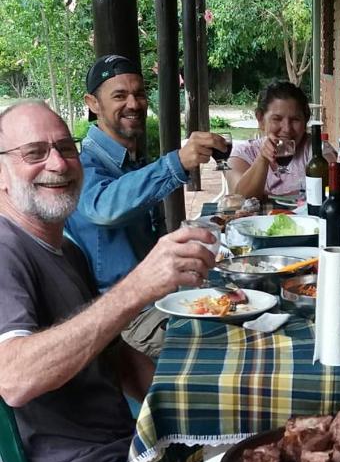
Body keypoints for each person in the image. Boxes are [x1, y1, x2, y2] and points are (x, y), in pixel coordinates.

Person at [0, 99, 217, 462]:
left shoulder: (66, 252)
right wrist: (139, 286)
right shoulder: (5, 249)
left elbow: (116, 358)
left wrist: (196, 408)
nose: (58, 163)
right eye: (34, 153)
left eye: (66, 147)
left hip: (122, 454)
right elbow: (14, 377)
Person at [65, 54, 227, 356]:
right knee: (226, 345)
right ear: (92, 103)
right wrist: (177, 162)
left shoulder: (131, 162)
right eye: (119, 95)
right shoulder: (81, 166)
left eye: (139, 93)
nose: (134, 103)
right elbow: (103, 207)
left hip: (162, 297)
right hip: (124, 318)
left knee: (243, 303)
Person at [229, 80, 313, 198]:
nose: (287, 129)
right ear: (260, 119)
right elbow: (239, 199)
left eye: (295, 119)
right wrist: (262, 159)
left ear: (305, 121)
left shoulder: (315, 150)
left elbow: (337, 188)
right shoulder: (243, 153)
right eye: (277, 119)